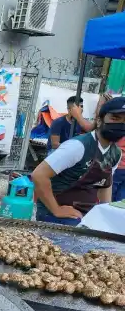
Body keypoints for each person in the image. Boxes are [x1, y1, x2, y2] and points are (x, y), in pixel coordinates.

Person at [32, 97, 125, 226]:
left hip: (85, 213)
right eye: (115, 118)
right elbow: (39, 175)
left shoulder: (116, 153)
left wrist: (105, 214)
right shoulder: (78, 146)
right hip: (57, 215)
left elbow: (105, 185)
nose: (120, 125)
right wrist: (56, 210)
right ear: (99, 121)